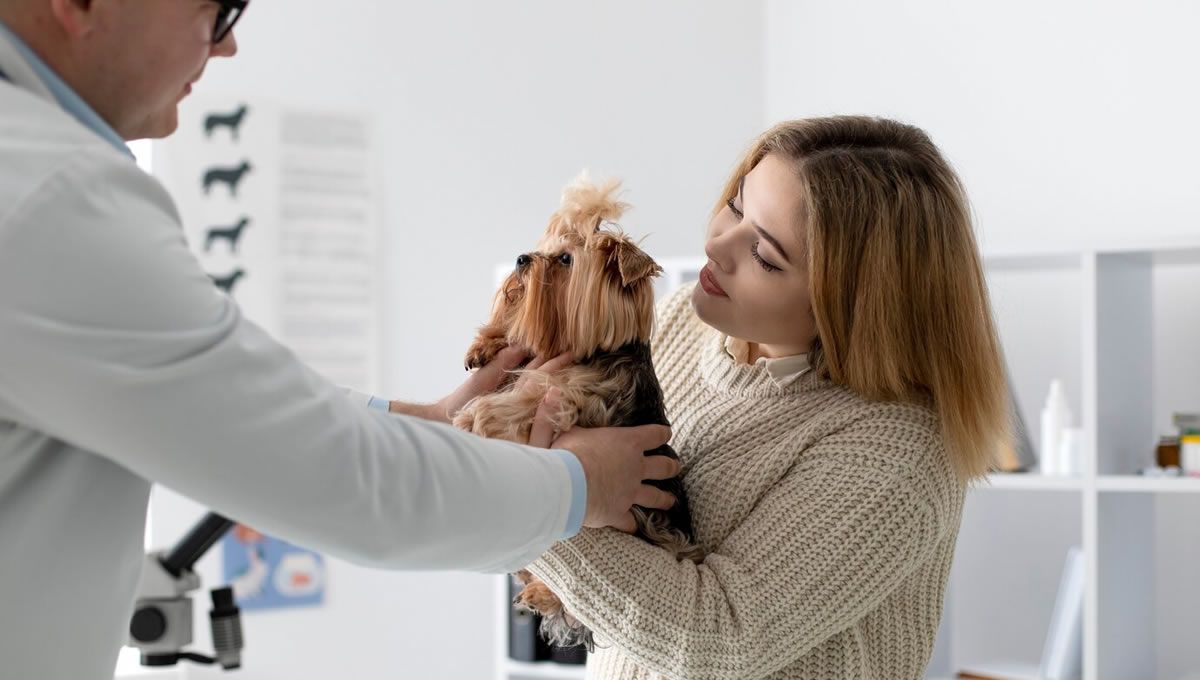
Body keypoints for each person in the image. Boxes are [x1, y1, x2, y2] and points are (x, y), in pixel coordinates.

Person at [0, 2, 678, 679]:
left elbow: (250, 414)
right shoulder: (57, 199)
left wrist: (433, 419)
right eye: (216, 9)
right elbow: (348, 479)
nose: (229, 45)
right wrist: (581, 484)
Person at [518, 116, 1012, 679]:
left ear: (850, 306)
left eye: (766, 256)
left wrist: (538, 501)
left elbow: (720, 636)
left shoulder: (898, 448)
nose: (716, 246)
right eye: (735, 205)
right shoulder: (685, 320)